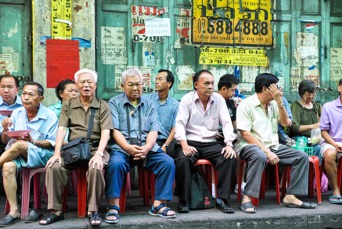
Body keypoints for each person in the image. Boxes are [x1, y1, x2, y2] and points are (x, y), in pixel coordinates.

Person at [40, 69, 113, 227]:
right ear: (77, 86)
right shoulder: (68, 104)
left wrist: (99, 153)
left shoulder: (103, 106)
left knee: (95, 168)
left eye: (89, 82)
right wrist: (57, 153)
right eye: (82, 82)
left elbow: (106, 132)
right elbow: (61, 129)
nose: (86, 85)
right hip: (74, 149)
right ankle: (56, 211)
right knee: (54, 166)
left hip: (95, 148)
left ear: (95, 86)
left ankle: (93, 211)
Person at [235, 73, 316, 214]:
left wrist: (280, 103)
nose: (280, 90)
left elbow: (286, 123)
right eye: (276, 87)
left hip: (274, 146)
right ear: (266, 89)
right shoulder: (246, 105)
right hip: (249, 146)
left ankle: (290, 196)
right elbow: (245, 134)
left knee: (301, 156)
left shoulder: (274, 104)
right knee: (259, 155)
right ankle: (247, 198)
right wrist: (266, 152)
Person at [106, 67, 176, 224]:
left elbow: (154, 129)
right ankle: (113, 206)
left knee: (167, 162)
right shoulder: (114, 103)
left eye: (138, 84)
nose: (135, 88)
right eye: (130, 84)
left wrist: (146, 148)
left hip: (147, 148)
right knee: (115, 164)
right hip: (123, 148)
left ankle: (159, 204)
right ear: (123, 85)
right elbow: (114, 131)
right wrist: (128, 148)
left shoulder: (150, 104)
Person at [174, 69, 236, 214]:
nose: (211, 87)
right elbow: (180, 124)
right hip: (190, 141)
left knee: (229, 158)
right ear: (196, 84)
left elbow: (227, 123)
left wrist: (229, 144)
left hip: (211, 143)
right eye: (206, 83)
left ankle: (223, 199)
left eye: (212, 83)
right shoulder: (187, 99)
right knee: (183, 160)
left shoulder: (219, 100)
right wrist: (184, 145)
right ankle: (184, 200)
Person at [0, 82, 58, 226]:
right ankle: (14, 211)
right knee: (7, 166)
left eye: (30, 95)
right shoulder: (17, 113)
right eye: (24, 94)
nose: (25, 98)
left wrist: (33, 141)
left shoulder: (50, 115)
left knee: (20, 144)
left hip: (43, 154)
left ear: (41, 98)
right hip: (18, 153)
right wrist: (6, 129)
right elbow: (5, 140)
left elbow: (53, 143)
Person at [217, 74, 244, 194]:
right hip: (215, 138)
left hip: (230, 137)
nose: (234, 93)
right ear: (224, 89)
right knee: (229, 154)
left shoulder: (231, 103)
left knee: (242, 150)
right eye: (232, 90)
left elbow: (235, 124)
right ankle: (217, 184)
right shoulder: (212, 101)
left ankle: (238, 182)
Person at [144, 69, 179, 158]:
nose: (156, 82)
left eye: (160, 79)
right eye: (156, 79)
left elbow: (175, 128)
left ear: (169, 83)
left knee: (173, 154)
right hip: (148, 140)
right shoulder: (147, 100)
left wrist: (165, 145)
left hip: (166, 141)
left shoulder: (175, 105)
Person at [319, 79, 342, 204]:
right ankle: (335, 190)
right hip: (331, 142)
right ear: (339, 88)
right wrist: (334, 144)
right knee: (330, 154)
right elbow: (324, 131)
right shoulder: (329, 107)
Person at [290, 80, 322, 163]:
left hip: (314, 139)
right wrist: (312, 126)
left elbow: (323, 122)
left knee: (320, 148)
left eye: (313, 93)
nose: (311, 96)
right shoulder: (296, 107)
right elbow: (294, 128)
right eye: (308, 94)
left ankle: (316, 173)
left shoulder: (317, 106)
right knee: (309, 149)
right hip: (300, 140)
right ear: (302, 93)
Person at [0, 74, 23, 152]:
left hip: (18, 141)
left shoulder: (25, 104)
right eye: (2, 87)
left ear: (17, 90)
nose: (6, 90)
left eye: (10, 87)